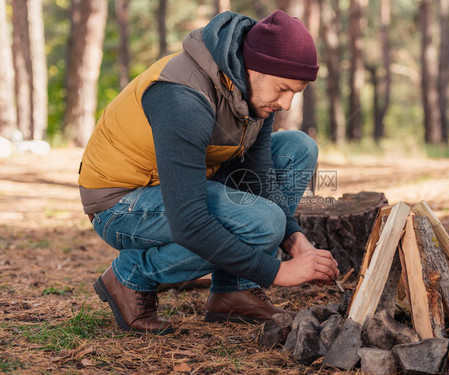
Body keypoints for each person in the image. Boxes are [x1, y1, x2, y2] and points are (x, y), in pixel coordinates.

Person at [78, 10, 339, 335]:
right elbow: (189, 222)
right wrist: (277, 272)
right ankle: (131, 275)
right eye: (283, 89)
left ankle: (235, 290)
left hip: (181, 186)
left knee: (299, 148)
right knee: (262, 225)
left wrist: (294, 240)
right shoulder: (182, 95)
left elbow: (257, 182)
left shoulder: (254, 94)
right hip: (120, 203)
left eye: (295, 94)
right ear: (255, 66)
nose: (286, 104)